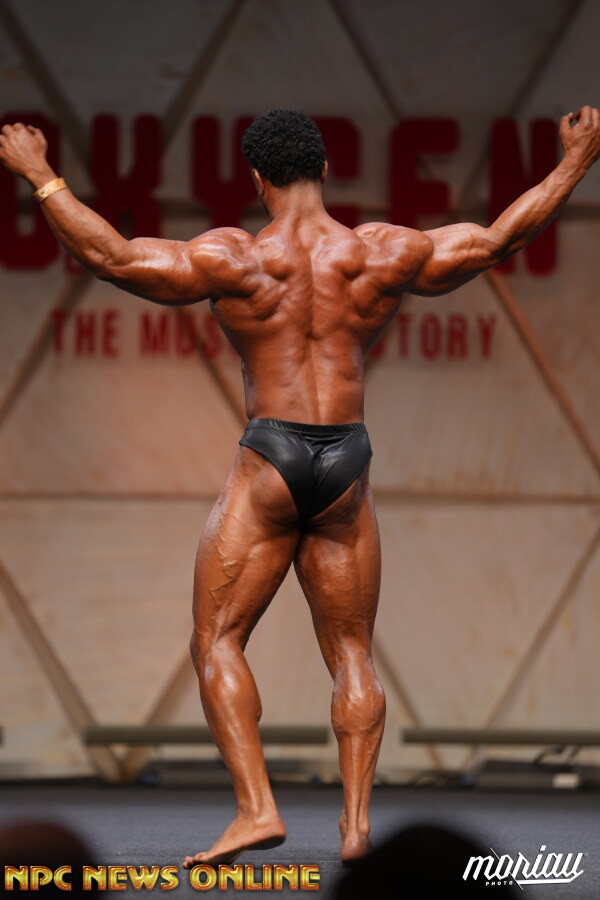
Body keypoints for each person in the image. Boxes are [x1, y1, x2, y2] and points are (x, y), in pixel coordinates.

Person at [1, 107, 598, 868]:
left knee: (217, 639)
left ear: (257, 178)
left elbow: (112, 257)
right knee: (352, 652)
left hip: (272, 457)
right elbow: (497, 239)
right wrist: (575, 162)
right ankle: (356, 830)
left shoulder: (238, 258)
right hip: (347, 459)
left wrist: (39, 174)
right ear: (324, 169)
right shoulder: (381, 252)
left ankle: (257, 810)